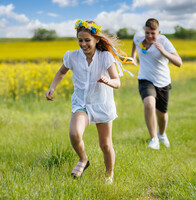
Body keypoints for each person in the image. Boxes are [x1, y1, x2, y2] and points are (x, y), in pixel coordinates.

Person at [45, 19, 132, 183]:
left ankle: (109, 175)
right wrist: (52, 87)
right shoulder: (72, 56)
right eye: (80, 40)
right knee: (74, 133)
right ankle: (83, 159)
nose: (83, 44)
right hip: (81, 103)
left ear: (96, 39)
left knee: (105, 145)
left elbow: (117, 83)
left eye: (87, 40)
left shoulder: (105, 57)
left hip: (102, 104)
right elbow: (62, 72)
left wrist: (107, 81)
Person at [131, 18, 182, 150]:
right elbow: (134, 42)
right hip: (145, 79)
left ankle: (162, 134)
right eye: (147, 33)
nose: (149, 36)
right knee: (149, 104)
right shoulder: (138, 37)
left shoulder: (164, 41)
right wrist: (133, 56)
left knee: (162, 115)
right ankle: (154, 139)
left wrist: (164, 52)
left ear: (158, 32)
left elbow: (179, 62)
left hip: (163, 82)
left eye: (153, 33)